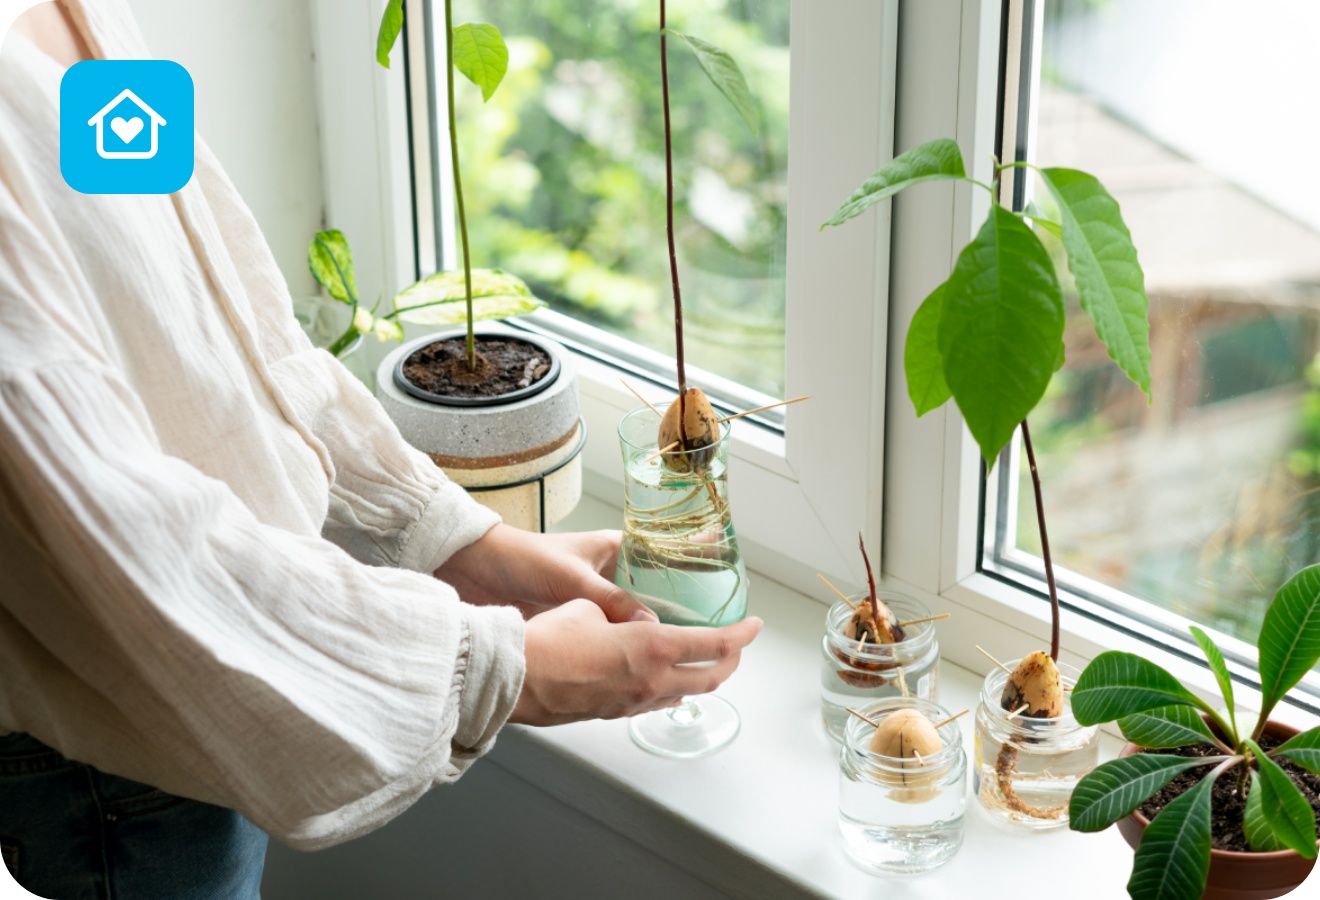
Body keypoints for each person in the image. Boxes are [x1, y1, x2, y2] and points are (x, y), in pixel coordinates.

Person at [0, 2, 763, 896]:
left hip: (220, 671)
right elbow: (117, 537)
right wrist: (506, 672)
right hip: (126, 744)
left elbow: (216, 325)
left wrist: (456, 542)